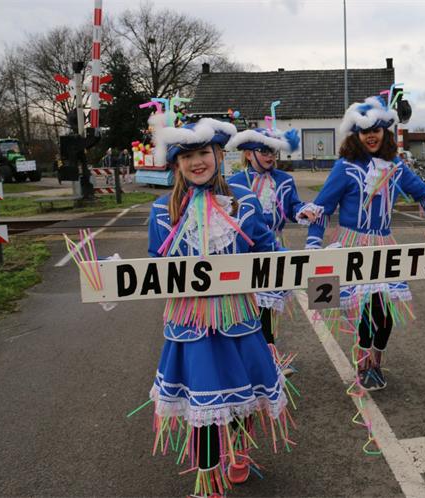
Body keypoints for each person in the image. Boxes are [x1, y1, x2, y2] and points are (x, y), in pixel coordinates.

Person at [146, 115, 293, 496]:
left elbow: (266, 248)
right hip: (191, 327)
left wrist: (311, 264)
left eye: (204, 153)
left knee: (243, 396)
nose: (197, 162)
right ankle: (209, 478)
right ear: (177, 164)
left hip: (240, 321)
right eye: (187, 156)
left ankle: (239, 452)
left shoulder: (244, 203)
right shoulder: (162, 211)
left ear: (218, 155)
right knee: (205, 408)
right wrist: (113, 277)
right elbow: (154, 267)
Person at [305, 95, 425, 390]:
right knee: (362, 309)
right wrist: (313, 245)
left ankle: (376, 361)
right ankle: (363, 363)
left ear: (385, 132)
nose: (371, 136)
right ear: (356, 134)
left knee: (384, 313)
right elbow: (321, 208)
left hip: (383, 245)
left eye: (377, 130)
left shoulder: (396, 167)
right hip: (351, 245)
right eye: (365, 131)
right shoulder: (345, 167)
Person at [225, 125, 318, 372]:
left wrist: (303, 211)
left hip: (274, 247)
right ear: (248, 154)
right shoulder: (234, 182)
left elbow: (292, 206)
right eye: (264, 151)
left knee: (267, 307)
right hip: (245, 250)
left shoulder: (284, 180)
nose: (270, 156)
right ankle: (252, 359)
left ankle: (268, 360)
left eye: (273, 152)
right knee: (248, 306)